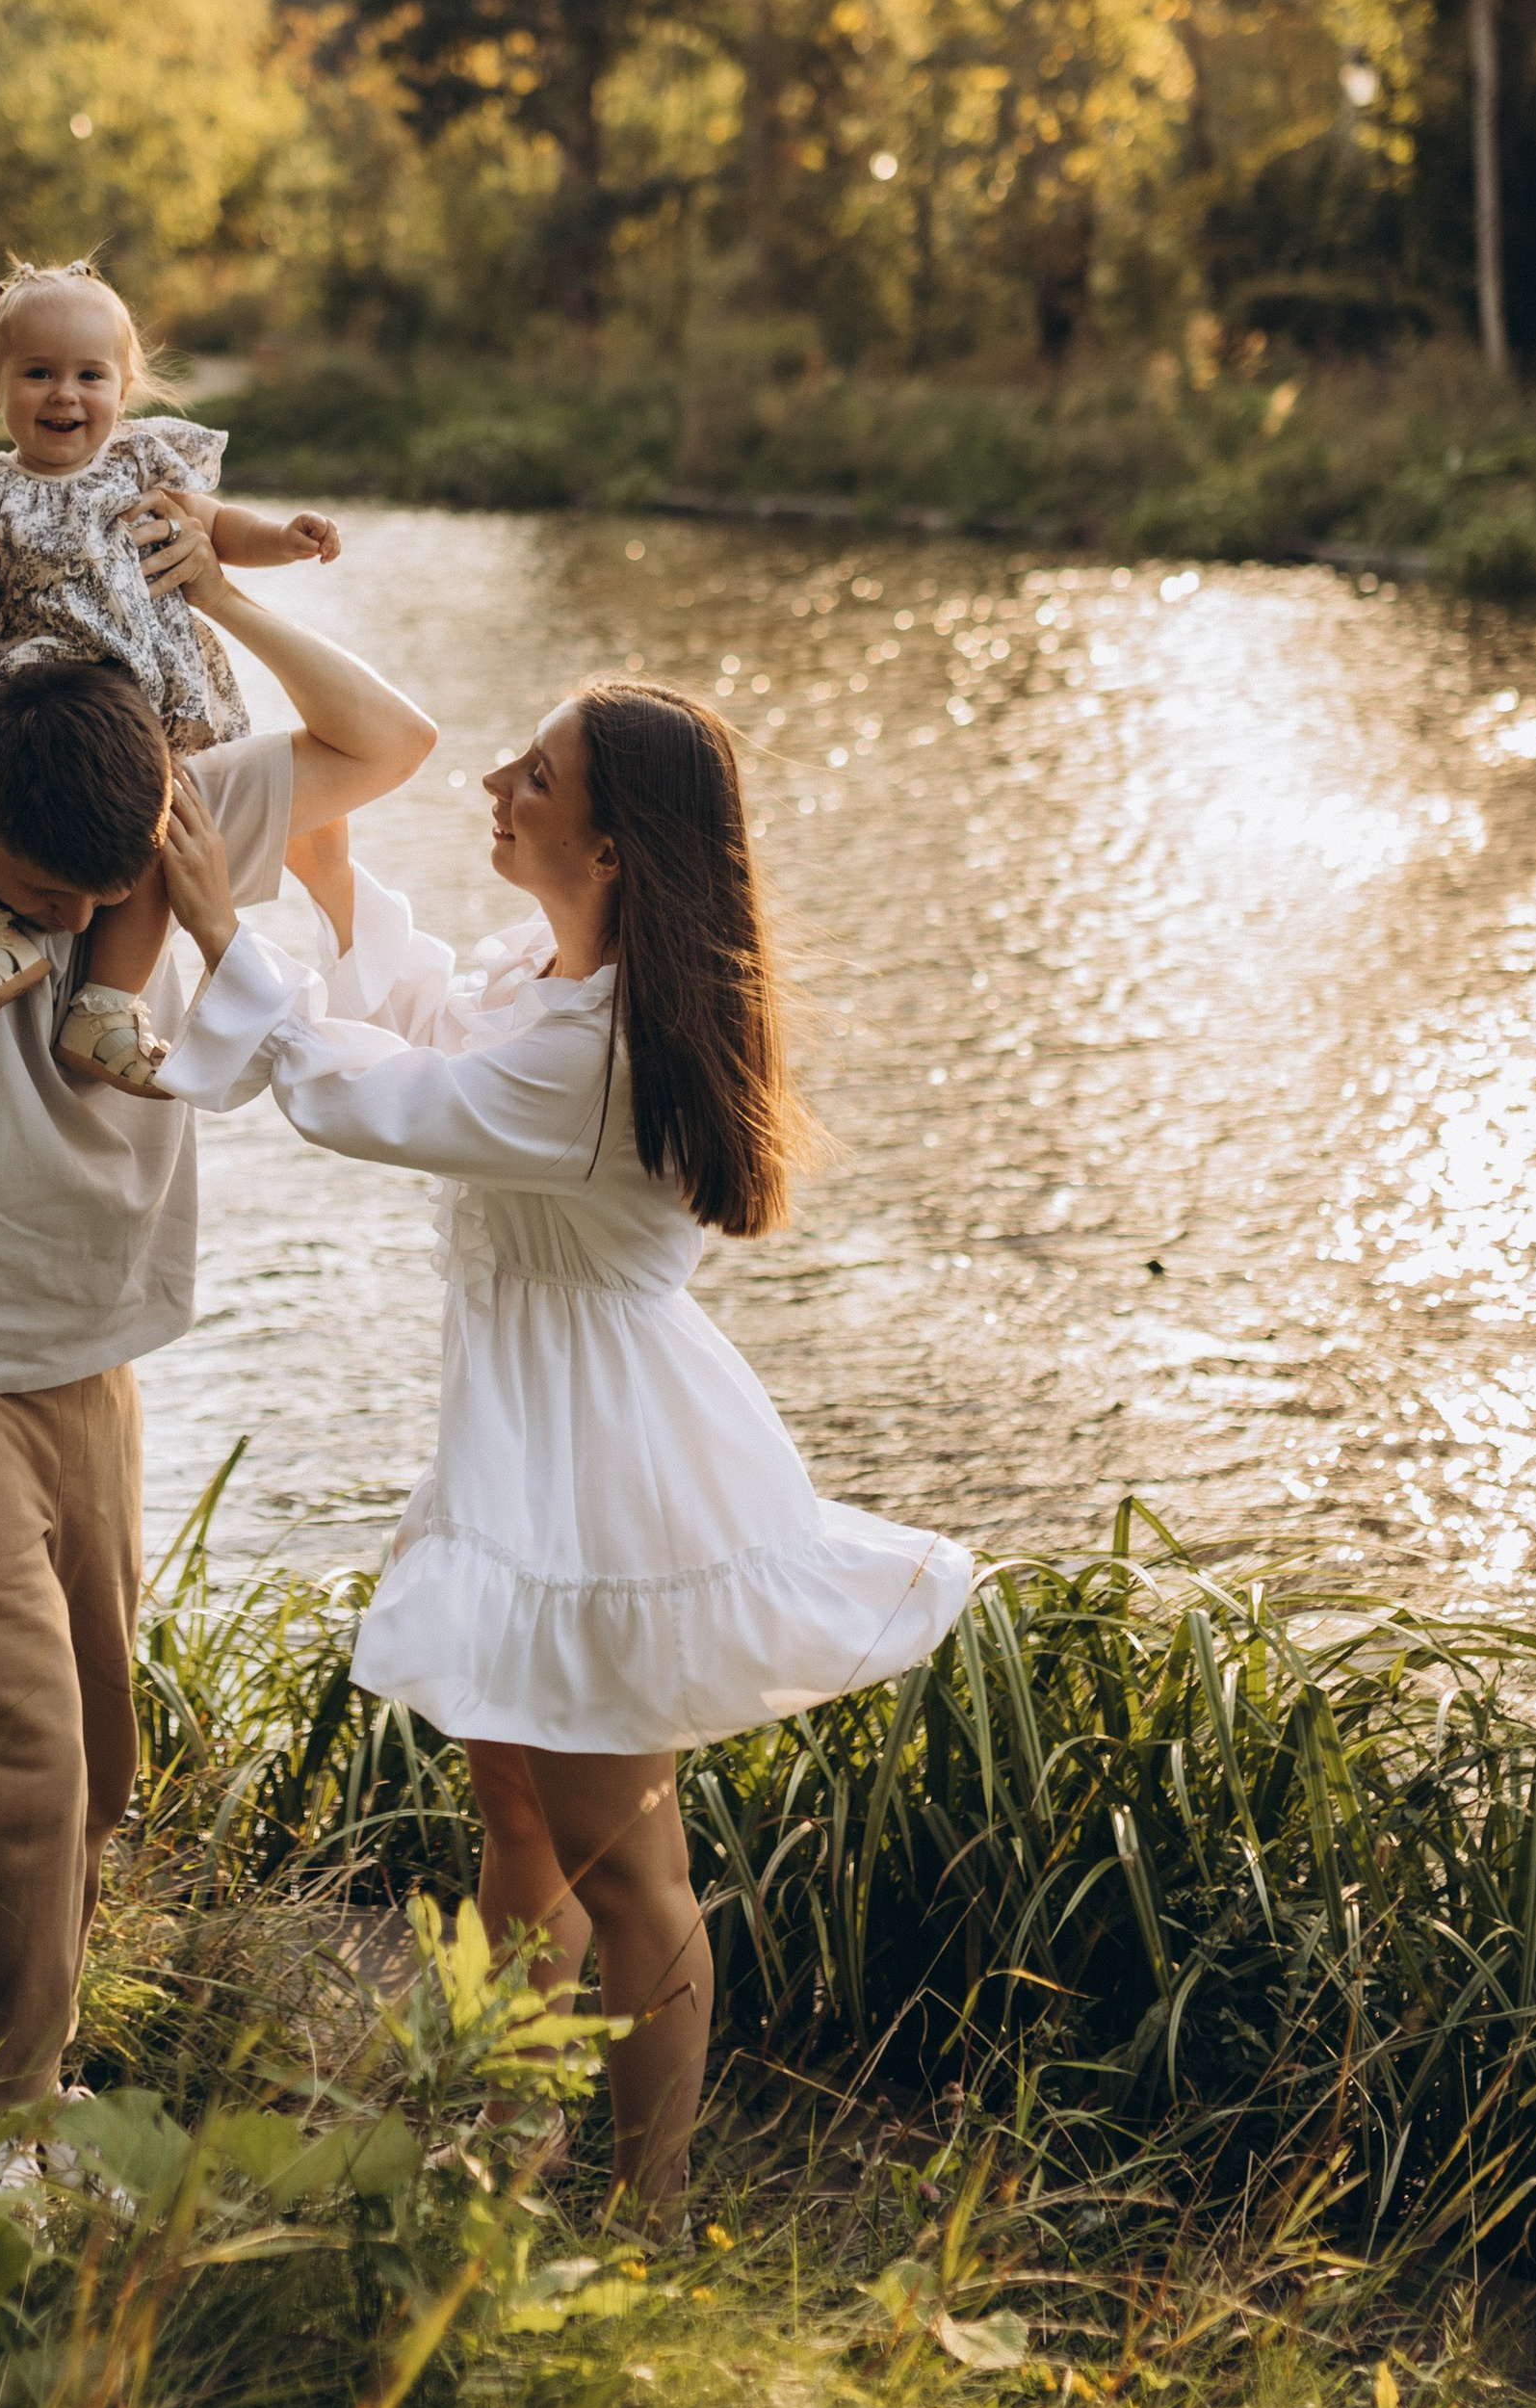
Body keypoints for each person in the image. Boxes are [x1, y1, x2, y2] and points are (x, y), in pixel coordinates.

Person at [160, 680, 976, 2223]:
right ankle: (505, 2143)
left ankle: (647, 2217)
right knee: (521, 1824)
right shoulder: (550, 983)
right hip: (528, 1445)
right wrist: (326, 865)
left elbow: (375, 1098)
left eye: (533, 776)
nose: (494, 780)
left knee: (628, 1871)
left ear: (608, 851)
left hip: (607, 1473)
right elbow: (424, 1023)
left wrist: (219, 929)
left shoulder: (599, 1058)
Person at [0, 484, 432, 2158]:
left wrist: (225, 594)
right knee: (31, 1770)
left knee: (99, 1772)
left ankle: (13, 2061)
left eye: (93, 899)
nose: (65, 926)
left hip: (89, 1361)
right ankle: (4, 2128)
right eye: (42, 896)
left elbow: (390, 739)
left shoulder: (159, 818)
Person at [0, 255, 341, 1086]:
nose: (64, 394)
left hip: (126, 706)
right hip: (11, 699)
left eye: (89, 375)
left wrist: (283, 538)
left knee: (154, 829)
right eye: (38, 373)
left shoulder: (142, 464)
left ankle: (107, 1006)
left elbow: (219, 527)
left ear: (124, 388)